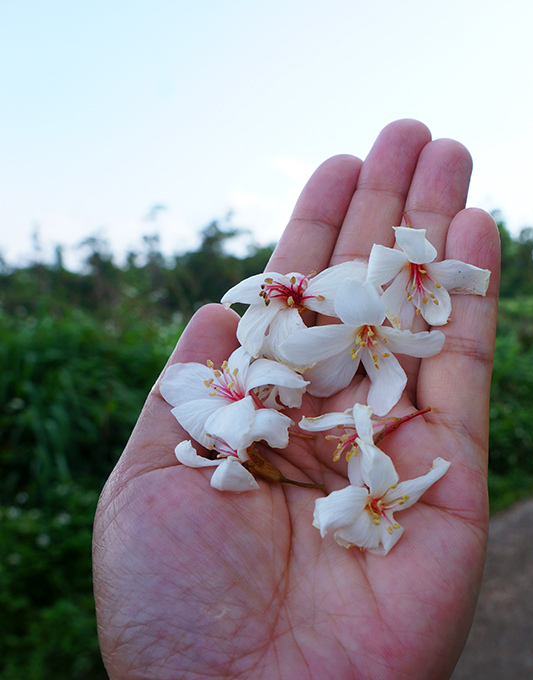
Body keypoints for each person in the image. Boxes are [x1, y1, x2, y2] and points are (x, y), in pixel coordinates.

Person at [91, 120, 501, 680]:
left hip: (335, 365)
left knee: (376, 356)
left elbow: (407, 312)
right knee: (349, 365)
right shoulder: (273, 353)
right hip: (307, 383)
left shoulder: (355, 302)